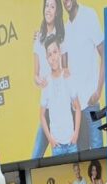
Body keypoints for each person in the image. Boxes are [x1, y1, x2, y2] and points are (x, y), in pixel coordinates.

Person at [63, 0, 105, 151]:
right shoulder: (66, 27)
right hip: (75, 108)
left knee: (98, 150)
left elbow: (104, 53)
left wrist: (98, 91)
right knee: (79, 154)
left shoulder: (88, 15)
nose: (65, 2)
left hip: (91, 103)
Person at [31, 0, 66, 159]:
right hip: (47, 105)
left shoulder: (62, 37)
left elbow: (66, 71)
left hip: (62, 105)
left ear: (57, 11)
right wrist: (39, 81)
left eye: (52, 7)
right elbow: (35, 74)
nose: (48, 10)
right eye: (47, 6)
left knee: (60, 153)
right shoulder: (38, 38)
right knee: (35, 156)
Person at [40, 34, 82, 157]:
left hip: (71, 144)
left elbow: (77, 107)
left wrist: (75, 135)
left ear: (59, 53)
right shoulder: (46, 83)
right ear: (46, 58)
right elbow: (41, 115)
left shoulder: (68, 77)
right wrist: (50, 139)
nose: (53, 57)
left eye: (55, 52)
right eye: (49, 54)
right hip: (56, 146)